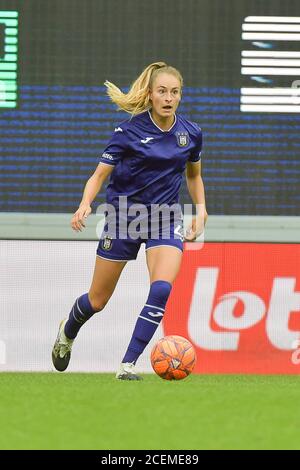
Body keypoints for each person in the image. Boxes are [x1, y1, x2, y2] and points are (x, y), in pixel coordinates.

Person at [52, 61, 208, 380]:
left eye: (174, 92)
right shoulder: (128, 131)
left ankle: (128, 364)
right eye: (162, 91)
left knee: (161, 288)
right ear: (150, 95)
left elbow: (194, 176)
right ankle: (67, 333)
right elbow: (99, 176)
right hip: (123, 218)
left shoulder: (191, 133)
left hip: (165, 219)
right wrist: (85, 203)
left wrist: (201, 207)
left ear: (180, 96)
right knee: (97, 300)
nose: (168, 97)